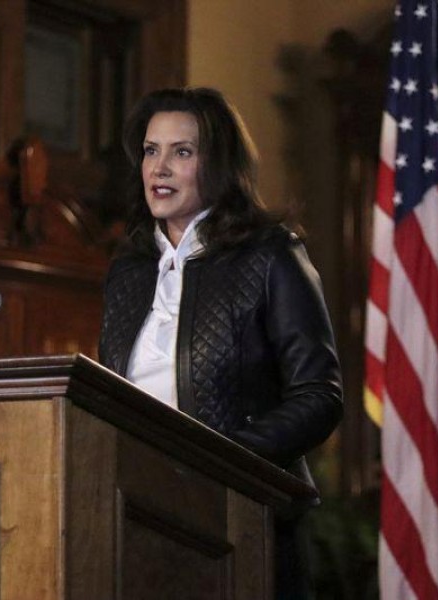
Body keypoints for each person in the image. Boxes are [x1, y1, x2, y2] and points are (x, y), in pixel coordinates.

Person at [98, 87, 343, 599]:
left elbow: (320, 395)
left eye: (181, 152)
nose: (159, 168)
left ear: (219, 165)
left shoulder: (271, 254)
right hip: (141, 519)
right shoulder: (128, 271)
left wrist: (220, 459)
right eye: (150, 150)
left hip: (244, 519)